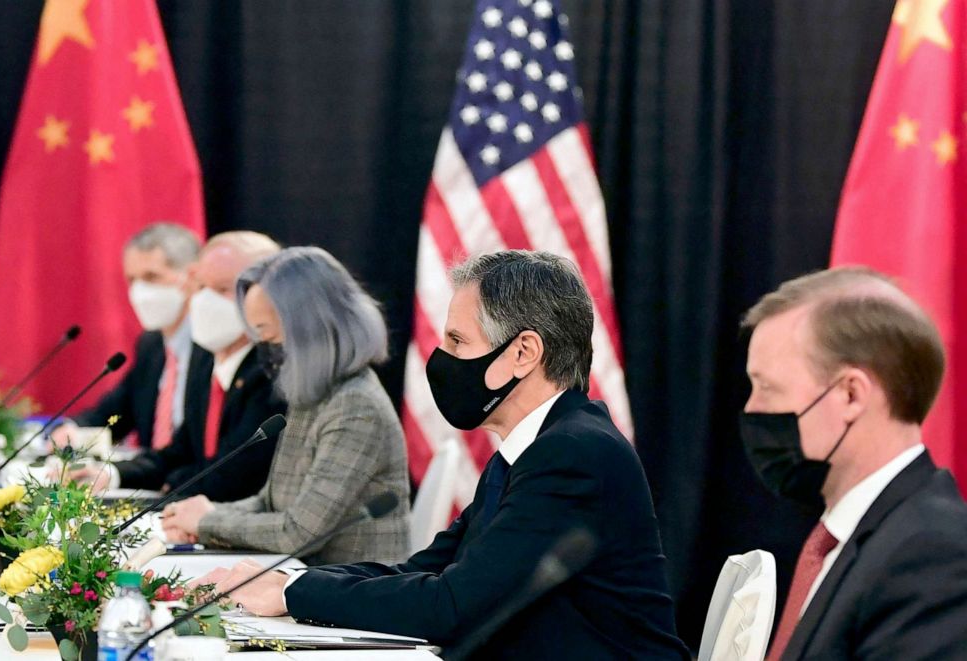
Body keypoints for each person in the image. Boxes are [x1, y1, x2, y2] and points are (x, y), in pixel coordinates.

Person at [195, 250, 689, 659]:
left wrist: (291, 592)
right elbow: (428, 568)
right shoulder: (533, 446)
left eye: (457, 341)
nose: (444, 359)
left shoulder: (573, 453)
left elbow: (453, 605)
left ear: (524, 352)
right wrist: (290, 580)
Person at [739, 267, 967, 660]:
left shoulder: (931, 551)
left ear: (850, 395)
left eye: (768, 388)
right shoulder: (852, 537)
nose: (752, 409)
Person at [160, 247, 411, 564]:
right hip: (301, 581)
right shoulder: (313, 393)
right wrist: (196, 517)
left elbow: (299, 534)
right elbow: (271, 502)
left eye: (266, 333)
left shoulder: (356, 405)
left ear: (308, 329)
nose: (263, 349)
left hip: (354, 592)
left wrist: (208, 522)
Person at [69, 232, 286, 502]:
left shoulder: (273, 373)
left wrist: (170, 486)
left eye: (222, 289)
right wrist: (111, 474)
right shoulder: (210, 362)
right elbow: (178, 452)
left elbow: (235, 477)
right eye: (201, 287)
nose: (205, 300)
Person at [52, 223, 205, 450]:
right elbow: (114, 414)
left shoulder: (212, 345)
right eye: (132, 279)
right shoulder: (151, 344)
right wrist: (72, 429)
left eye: (151, 277)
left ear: (191, 277)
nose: (140, 291)